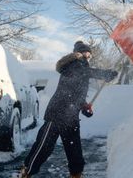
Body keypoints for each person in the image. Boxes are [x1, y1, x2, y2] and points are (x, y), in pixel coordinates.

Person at [19, 41, 118, 178]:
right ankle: (27, 172)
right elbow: (84, 72)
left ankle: (76, 174)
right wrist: (105, 74)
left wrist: (84, 107)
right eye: (86, 53)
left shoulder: (81, 68)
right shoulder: (74, 65)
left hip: (70, 116)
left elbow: (75, 94)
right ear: (79, 53)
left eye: (90, 54)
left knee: (74, 150)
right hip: (57, 114)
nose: (88, 56)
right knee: (44, 147)